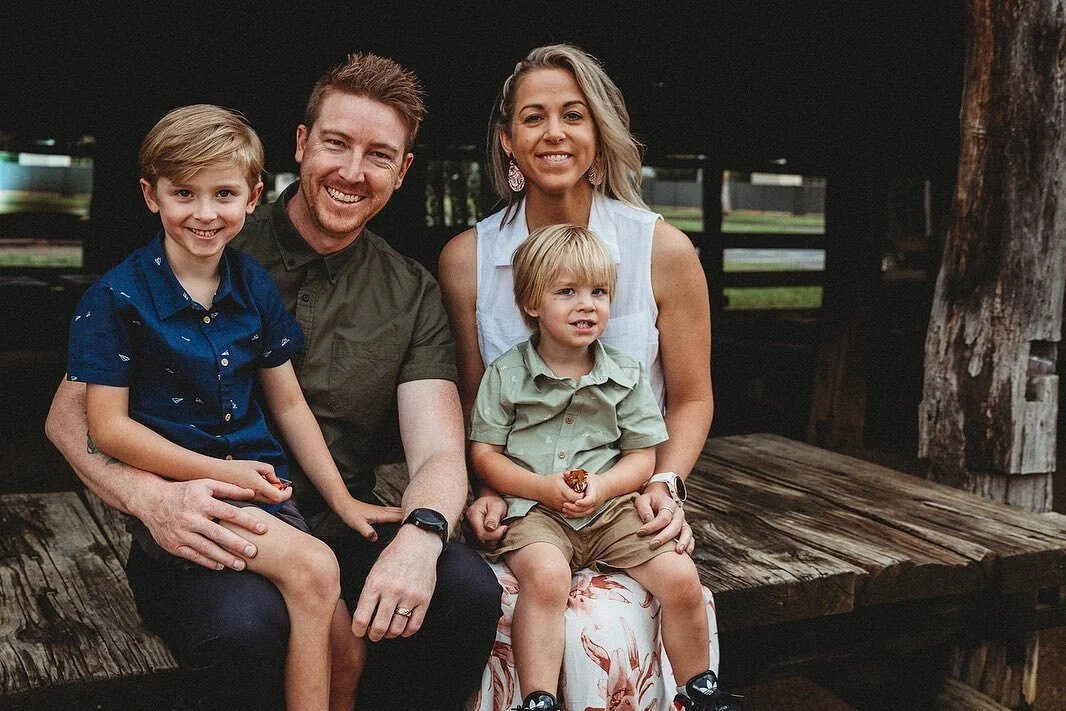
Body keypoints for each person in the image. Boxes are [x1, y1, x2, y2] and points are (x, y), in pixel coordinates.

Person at [47, 53, 502, 710]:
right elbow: (70, 418)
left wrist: (424, 533)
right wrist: (149, 499)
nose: (352, 170)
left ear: (403, 172)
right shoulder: (211, 241)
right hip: (205, 522)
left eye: (379, 154)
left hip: (334, 521)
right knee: (248, 628)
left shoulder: (411, 291)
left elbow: (436, 449)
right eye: (336, 143)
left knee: (463, 588)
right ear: (300, 143)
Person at [66, 103, 396, 710]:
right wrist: (222, 472)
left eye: (223, 193)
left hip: (264, 490)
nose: (204, 212)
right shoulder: (115, 298)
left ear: (252, 197)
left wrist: (344, 498)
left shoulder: (250, 286)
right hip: (189, 502)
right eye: (183, 193)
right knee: (317, 569)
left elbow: (290, 404)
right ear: (150, 195)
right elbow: (107, 429)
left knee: (347, 651)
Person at [439, 44, 735, 709]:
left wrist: (666, 482)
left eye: (573, 115)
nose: (553, 133)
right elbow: (472, 398)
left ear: (598, 136)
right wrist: (484, 486)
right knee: (486, 606)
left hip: (628, 496)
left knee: (618, 615)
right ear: (508, 142)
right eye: (534, 117)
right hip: (519, 509)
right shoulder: (468, 259)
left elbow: (691, 398)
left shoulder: (662, 249)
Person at [468, 224, 724, 711]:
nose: (587, 304)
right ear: (531, 303)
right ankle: (538, 697)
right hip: (534, 512)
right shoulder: (506, 374)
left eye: (599, 292)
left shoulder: (624, 374)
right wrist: (539, 488)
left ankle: (698, 688)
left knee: (681, 577)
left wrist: (605, 486)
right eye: (567, 291)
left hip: (609, 510)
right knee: (545, 577)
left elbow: (641, 457)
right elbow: (485, 455)